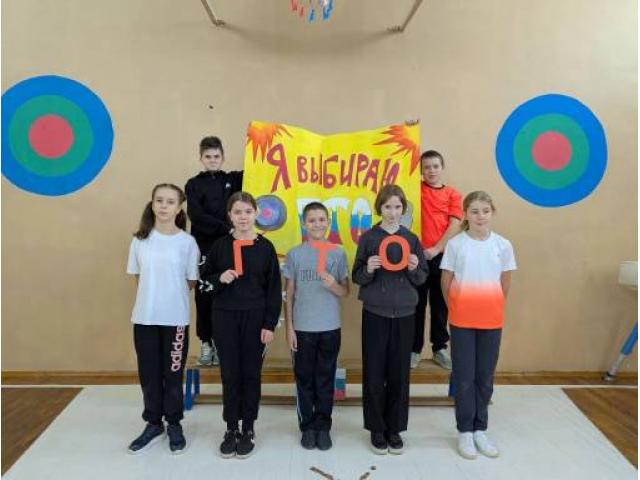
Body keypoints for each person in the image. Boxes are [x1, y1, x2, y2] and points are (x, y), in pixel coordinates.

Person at [200, 191, 282, 459]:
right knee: (230, 374)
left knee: (250, 374)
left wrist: (269, 324)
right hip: (224, 317)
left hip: (255, 319)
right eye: (237, 212)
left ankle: (248, 427)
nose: (243, 217)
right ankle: (231, 427)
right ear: (230, 216)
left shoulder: (265, 247)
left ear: (256, 214)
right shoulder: (219, 246)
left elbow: (273, 290)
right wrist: (218, 278)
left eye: (248, 212)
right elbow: (203, 284)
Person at [352, 184, 428, 455]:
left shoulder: (411, 239)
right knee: (374, 372)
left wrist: (415, 268)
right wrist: (369, 269)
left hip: (405, 314)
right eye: (387, 207)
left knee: (399, 373)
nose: (393, 212)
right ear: (379, 208)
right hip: (375, 313)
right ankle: (376, 428)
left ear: (403, 209)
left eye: (397, 207)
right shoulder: (369, 238)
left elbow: (422, 277)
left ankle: (394, 428)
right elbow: (357, 276)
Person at [440, 190, 516, 459]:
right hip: (461, 320)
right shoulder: (456, 245)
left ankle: (480, 429)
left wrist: (491, 305)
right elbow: (446, 281)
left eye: (485, 211)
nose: (480, 216)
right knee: (464, 376)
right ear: (465, 214)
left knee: (485, 376)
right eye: (474, 211)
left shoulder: (503, 245)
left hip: (491, 320)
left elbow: (505, 282)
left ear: (492, 213)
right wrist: (458, 307)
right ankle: (464, 431)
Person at [126, 183, 200, 455]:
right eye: (159, 200)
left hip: (175, 319)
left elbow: (191, 281)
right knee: (149, 374)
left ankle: (174, 423)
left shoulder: (187, 243)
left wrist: (169, 298)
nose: (164, 206)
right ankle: (153, 423)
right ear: (153, 204)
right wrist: (152, 300)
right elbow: (138, 277)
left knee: (173, 375)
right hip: (144, 319)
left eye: (170, 201)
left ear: (179, 207)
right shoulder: (140, 241)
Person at [283, 202, 349, 451]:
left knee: (325, 379)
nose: (317, 224)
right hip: (302, 329)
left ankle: (323, 426)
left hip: (330, 327)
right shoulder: (295, 254)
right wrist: (289, 328)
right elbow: (289, 294)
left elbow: (345, 292)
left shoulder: (338, 253)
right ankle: (307, 426)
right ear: (304, 223)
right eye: (312, 220)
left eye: (322, 219)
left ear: (328, 223)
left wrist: (333, 285)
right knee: (304, 380)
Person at [185, 136, 243, 366]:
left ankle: (221, 344)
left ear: (223, 157)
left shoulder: (233, 180)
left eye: (216, 156)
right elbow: (196, 215)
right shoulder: (193, 184)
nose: (212, 160)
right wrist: (226, 227)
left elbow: (260, 167)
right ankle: (206, 342)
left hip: (229, 245)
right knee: (204, 294)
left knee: (228, 291)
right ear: (201, 158)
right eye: (208, 156)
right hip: (204, 247)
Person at [412, 150, 462, 370]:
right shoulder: (414, 189)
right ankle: (413, 350)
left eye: (435, 166)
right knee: (416, 304)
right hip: (417, 257)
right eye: (426, 167)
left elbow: (455, 224)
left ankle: (439, 349)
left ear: (442, 168)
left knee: (440, 305)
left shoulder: (453, 194)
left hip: (442, 257)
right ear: (421, 170)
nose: (431, 171)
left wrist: (436, 249)